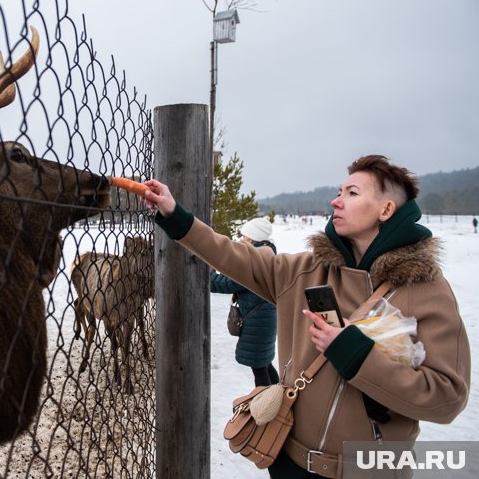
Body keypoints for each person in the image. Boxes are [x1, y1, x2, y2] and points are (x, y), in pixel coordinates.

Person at [141, 155, 469, 478]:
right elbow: (232, 255)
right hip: (291, 464)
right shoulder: (305, 271)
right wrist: (175, 215)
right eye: (340, 192)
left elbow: (446, 398)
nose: (336, 201)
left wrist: (354, 354)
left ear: (386, 210)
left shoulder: (426, 290)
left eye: (352, 193)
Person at [211, 217, 279, 387]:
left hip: (256, 322)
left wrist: (207, 274)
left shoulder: (252, 259)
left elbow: (226, 284)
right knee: (264, 363)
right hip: (265, 318)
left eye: (244, 236)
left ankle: (266, 406)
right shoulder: (269, 253)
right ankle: (280, 395)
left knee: (259, 369)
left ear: (253, 239)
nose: (241, 240)